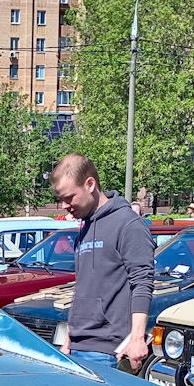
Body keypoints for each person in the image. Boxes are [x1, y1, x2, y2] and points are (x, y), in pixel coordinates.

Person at [50, 153, 154, 372]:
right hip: (77, 347)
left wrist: (137, 339)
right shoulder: (84, 226)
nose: (64, 206)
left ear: (90, 184)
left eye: (69, 197)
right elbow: (85, 287)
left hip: (109, 352)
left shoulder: (128, 224)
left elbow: (142, 283)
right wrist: (69, 337)